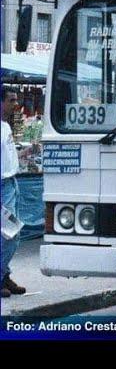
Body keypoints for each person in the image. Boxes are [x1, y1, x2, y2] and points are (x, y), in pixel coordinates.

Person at [1, 87, 31, 298]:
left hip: (12, 183)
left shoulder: (5, 127)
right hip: (2, 186)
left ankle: (4, 275)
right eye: (11, 100)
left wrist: (26, 152)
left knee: (11, 232)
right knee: (10, 234)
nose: (15, 104)